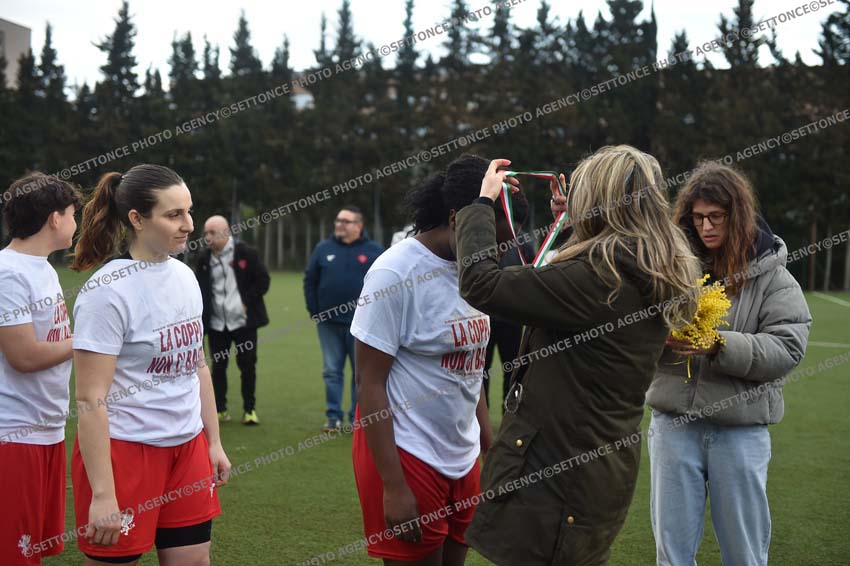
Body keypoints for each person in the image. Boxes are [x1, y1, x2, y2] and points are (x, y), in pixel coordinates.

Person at [457, 147, 701, 565]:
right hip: (596, 471)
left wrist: (480, 204)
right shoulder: (642, 266)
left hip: (560, 476)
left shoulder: (600, 278)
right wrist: (575, 224)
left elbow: (481, 284)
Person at [351, 153, 525, 565]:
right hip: (407, 453)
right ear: (456, 220)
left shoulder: (477, 275)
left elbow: (470, 373)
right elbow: (370, 384)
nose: (501, 253)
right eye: (496, 240)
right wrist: (394, 486)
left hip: (462, 456)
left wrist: (487, 450)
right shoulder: (395, 273)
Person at [646, 162, 811, 566]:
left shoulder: (773, 275)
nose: (705, 227)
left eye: (716, 217)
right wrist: (656, 337)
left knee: (744, 555)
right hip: (673, 425)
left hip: (740, 430)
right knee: (671, 555)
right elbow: (632, 329)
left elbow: (788, 347)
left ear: (737, 216)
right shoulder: (668, 269)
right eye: (697, 217)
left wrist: (719, 345)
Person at [70, 165, 231, 565]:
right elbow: (90, 398)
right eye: (173, 214)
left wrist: (212, 442)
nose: (188, 224)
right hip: (124, 454)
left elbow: (196, 365)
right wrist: (103, 493)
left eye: (189, 211)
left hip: (188, 449)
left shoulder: (184, 276)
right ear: (137, 219)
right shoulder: (106, 292)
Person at [0, 173, 79, 566]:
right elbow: (24, 356)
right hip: (15, 433)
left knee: (32, 551)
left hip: (46, 428)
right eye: (73, 214)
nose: (76, 224)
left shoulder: (43, 268)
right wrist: (88, 341)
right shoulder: (8, 272)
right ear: (54, 218)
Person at [304, 205, 383, 432]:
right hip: (328, 324)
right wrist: (315, 311)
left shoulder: (374, 251)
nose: (339, 225)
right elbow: (310, 280)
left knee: (361, 374)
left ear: (358, 226)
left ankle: (357, 418)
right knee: (331, 371)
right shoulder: (323, 248)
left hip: (363, 324)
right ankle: (333, 417)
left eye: (345, 221)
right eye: (338, 220)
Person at [195, 215, 270, 425]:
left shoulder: (247, 253)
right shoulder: (203, 258)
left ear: (226, 232)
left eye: (212, 233)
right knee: (218, 367)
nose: (207, 237)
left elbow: (263, 280)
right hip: (217, 324)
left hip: (243, 323)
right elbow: (199, 288)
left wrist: (246, 302)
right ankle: (220, 409)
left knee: (247, 366)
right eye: (206, 233)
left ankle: (249, 410)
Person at [481, 195, 535, 410]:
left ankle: (509, 415)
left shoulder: (524, 244)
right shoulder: (482, 243)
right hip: (483, 319)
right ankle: (479, 421)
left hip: (511, 320)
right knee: (480, 373)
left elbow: (532, 277)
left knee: (512, 371)